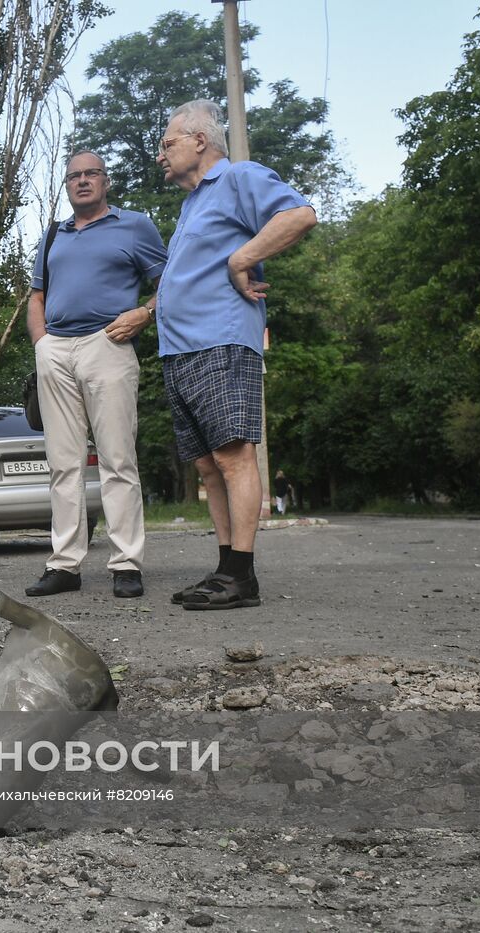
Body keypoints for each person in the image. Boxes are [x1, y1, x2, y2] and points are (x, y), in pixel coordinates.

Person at [155, 100, 317, 610]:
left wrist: (244, 256)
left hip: (220, 340)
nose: (160, 154)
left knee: (233, 456)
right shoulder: (189, 205)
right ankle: (225, 569)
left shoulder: (239, 178)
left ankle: (242, 577)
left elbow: (300, 214)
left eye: (168, 143)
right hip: (180, 350)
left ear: (200, 141)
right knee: (207, 466)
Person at [25, 151, 167, 601]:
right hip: (57, 350)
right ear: (66, 185)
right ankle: (64, 564)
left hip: (108, 344)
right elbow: (36, 297)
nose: (83, 181)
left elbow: (172, 281)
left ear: (106, 181)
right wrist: (41, 344)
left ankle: (126, 563)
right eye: (74, 176)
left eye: (91, 174)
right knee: (63, 463)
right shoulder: (53, 235)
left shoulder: (134, 226)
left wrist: (144, 314)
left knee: (117, 459)